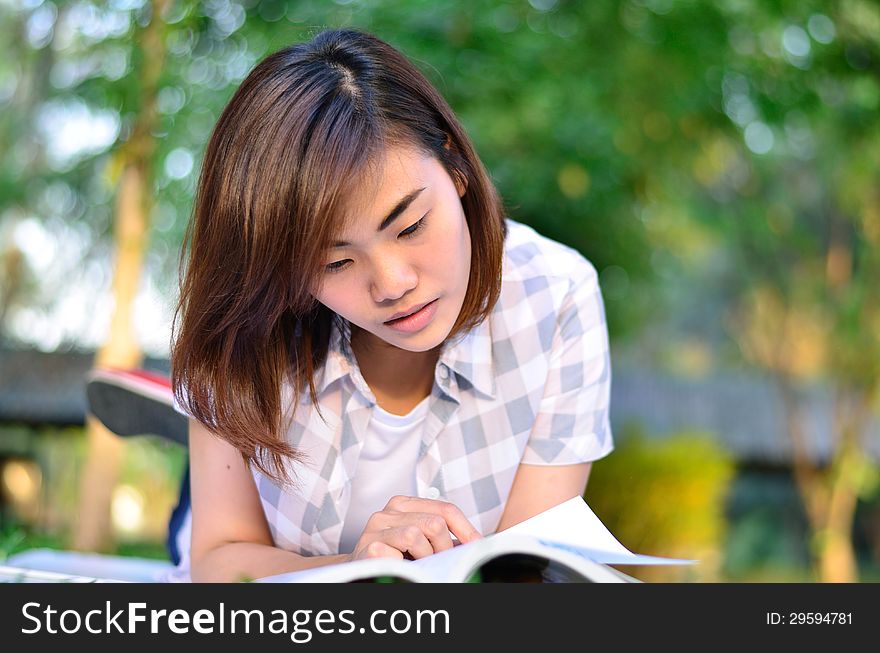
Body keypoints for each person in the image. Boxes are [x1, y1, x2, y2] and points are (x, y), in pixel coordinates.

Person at [170, 28, 614, 583]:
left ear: (454, 166)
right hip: (256, 525)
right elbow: (218, 561)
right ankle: (197, 421)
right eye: (334, 263)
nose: (392, 284)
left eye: (410, 226)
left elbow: (523, 570)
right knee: (188, 533)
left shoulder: (557, 294)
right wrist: (355, 569)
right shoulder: (242, 328)